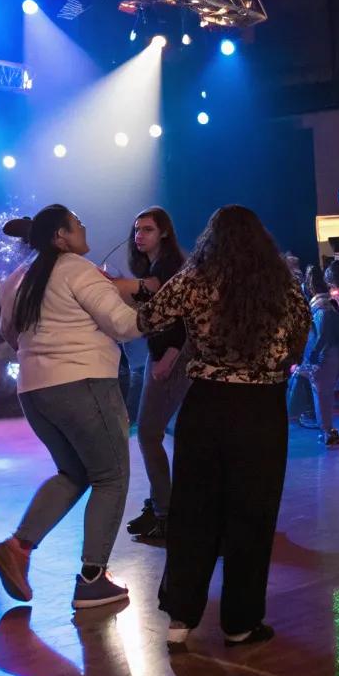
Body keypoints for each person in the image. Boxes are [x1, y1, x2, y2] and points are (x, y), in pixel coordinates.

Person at [110, 206, 310, 652]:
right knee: (251, 515)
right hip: (261, 408)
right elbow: (300, 336)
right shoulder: (280, 283)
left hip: (206, 404)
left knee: (193, 509)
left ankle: (181, 618)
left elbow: (148, 318)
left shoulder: (194, 278)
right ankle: (240, 622)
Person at [0, 205, 142, 612]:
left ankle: (18, 548)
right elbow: (123, 325)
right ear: (61, 236)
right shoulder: (77, 269)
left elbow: (8, 333)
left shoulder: (17, 280)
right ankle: (93, 580)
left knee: (74, 472)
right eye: (78, 223)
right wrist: (161, 311)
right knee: (111, 476)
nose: (84, 226)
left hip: (35, 392)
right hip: (84, 384)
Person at [123, 207, 189, 544]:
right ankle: (158, 507)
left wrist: (171, 355)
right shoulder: (156, 264)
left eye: (147, 229)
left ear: (164, 232)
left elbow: (180, 317)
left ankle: (165, 512)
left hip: (173, 354)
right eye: (137, 229)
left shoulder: (169, 266)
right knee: (152, 432)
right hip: (161, 352)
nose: (139, 235)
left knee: (149, 433)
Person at [296, 264, 339, 446]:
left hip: (324, 358)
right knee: (323, 396)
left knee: (321, 396)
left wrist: (312, 356)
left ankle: (326, 431)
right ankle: (327, 431)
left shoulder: (320, 308)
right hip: (329, 357)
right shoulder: (327, 306)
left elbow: (322, 336)